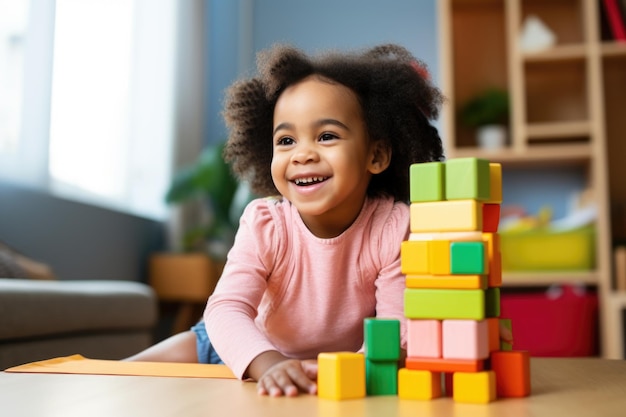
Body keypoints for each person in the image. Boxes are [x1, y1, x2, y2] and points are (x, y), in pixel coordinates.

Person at [126, 43, 445, 397]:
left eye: (326, 136)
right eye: (287, 140)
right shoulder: (266, 223)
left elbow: (396, 327)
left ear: (377, 154)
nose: (303, 154)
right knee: (117, 378)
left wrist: (354, 373)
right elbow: (227, 309)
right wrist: (269, 363)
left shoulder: (393, 226)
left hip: (341, 364)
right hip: (243, 348)